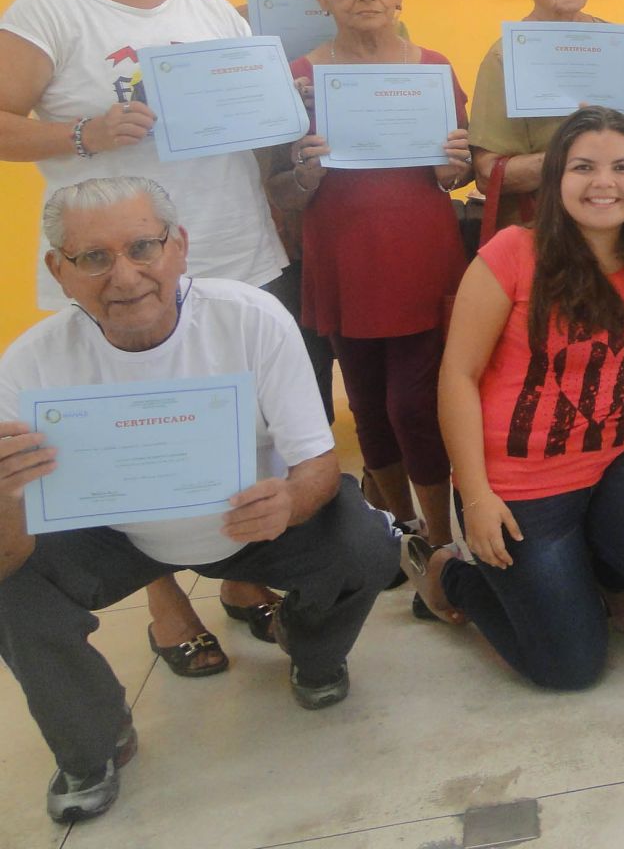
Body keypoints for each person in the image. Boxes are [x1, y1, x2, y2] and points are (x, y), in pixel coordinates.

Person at [0, 177, 397, 823]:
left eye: (143, 248)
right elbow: (6, 555)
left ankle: (312, 649)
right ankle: (92, 741)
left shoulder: (251, 318)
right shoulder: (28, 366)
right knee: (10, 589)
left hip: (251, 520)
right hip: (116, 535)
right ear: (58, 271)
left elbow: (319, 464)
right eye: (93, 257)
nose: (124, 276)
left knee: (365, 544)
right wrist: (5, 496)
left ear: (180, 246)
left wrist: (290, 502)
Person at [0, 0, 287, 677]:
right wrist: (83, 134)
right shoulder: (51, 8)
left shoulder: (210, 8)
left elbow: (257, 121)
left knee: (245, 428)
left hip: (232, 251)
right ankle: (167, 607)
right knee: (133, 443)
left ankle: (241, 578)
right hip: (117, 275)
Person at [410, 108, 624, 687]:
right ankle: (450, 575)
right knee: (568, 668)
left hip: (609, 463)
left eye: (622, 167)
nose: (604, 182)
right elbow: (457, 376)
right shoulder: (512, 252)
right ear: (556, 177)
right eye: (584, 167)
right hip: (518, 487)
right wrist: (476, 497)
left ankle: (597, 570)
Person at [266, 0, 471, 598]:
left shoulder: (433, 69)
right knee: (367, 405)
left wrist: (455, 167)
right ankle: (400, 530)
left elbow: (457, 172)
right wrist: (304, 172)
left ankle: (440, 538)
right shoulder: (299, 79)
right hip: (343, 261)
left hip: (421, 258)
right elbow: (279, 190)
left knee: (414, 403)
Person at [242, 0, 341, 426]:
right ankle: (314, 465)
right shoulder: (237, 25)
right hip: (279, 226)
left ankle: (381, 472)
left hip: (353, 218)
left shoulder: (376, 15)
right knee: (300, 364)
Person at [469, 0, 607, 234]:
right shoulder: (503, 58)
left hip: (616, 223)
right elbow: (487, 174)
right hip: (541, 230)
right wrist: (573, 155)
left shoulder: (618, 46)